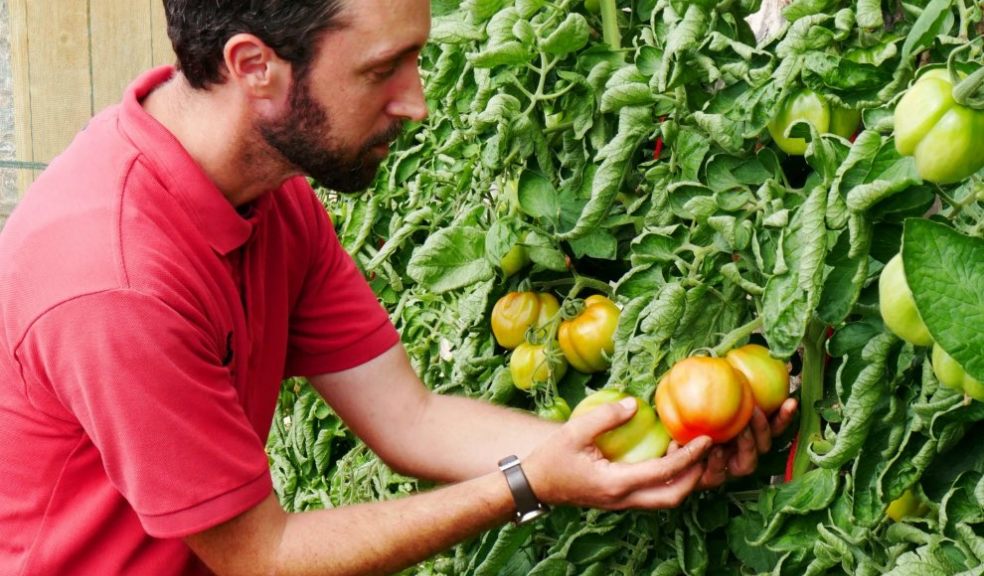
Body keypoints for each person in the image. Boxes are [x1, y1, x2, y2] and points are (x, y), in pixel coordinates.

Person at [0, 1, 798, 574]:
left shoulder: (269, 196)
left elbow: (407, 417)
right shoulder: (116, 280)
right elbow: (262, 556)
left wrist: (614, 454)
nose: (415, 102)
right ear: (255, 66)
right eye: (383, 69)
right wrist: (526, 486)